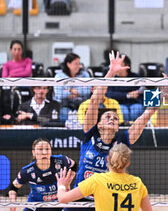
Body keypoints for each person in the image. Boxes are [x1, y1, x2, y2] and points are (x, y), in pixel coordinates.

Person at [65, 51, 162, 211]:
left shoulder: (122, 141)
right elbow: (95, 101)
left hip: (104, 203)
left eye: (115, 118)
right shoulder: (90, 134)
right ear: (99, 124)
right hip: (79, 200)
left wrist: (160, 90)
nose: (111, 118)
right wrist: (111, 72)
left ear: (118, 127)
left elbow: (147, 115)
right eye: (107, 116)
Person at [56, 143, 152, 211]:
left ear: (107, 159)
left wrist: (61, 185)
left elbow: (62, 199)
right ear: (128, 163)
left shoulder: (97, 180)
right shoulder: (138, 183)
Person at [8, 138, 76, 211]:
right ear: (33, 152)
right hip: (35, 205)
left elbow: (74, 165)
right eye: (40, 149)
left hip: (58, 204)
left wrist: (69, 179)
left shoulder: (61, 160)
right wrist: (13, 203)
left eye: (47, 149)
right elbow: (13, 188)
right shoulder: (27, 171)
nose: (44, 152)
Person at [106, 54, 145, 123]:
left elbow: (143, 91)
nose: (117, 65)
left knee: (136, 109)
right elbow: (110, 94)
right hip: (119, 104)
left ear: (127, 65)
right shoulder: (112, 79)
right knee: (123, 111)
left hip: (135, 103)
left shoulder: (136, 77)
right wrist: (127, 95)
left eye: (120, 63)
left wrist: (139, 92)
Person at [53, 53, 91, 123]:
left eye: (79, 63)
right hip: (64, 105)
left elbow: (88, 91)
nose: (78, 66)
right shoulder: (59, 76)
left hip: (82, 105)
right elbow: (59, 95)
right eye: (76, 64)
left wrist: (69, 91)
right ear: (68, 64)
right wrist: (77, 91)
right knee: (64, 116)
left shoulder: (85, 75)